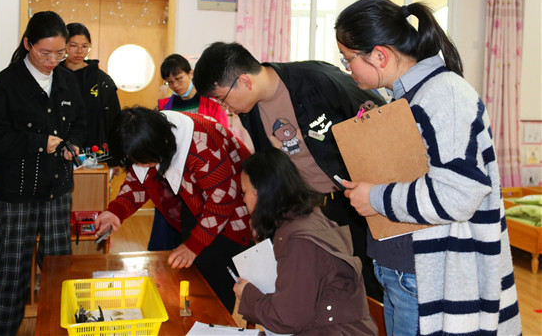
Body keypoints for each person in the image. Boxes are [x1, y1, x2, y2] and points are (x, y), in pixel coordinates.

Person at [334, 0, 521, 335]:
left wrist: (375, 197)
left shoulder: (444, 94)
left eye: (348, 59)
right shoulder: (411, 95)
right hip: (404, 271)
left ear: (379, 55)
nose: (348, 69)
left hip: (425, 277)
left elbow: (458, 195)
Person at [193, 41, 386, 300]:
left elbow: (379, 115)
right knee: (325, 287)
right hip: (311, 208)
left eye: (221, 99)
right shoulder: (250, 111)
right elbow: (275, 167)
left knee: (370, 284)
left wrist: (377, 185)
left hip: (355, 200)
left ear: (244, 81)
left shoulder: (316, 79)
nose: (223, 108)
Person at [0, 11, 86, 336]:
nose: (52, 61)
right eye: (44, 53)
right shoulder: (5, 84)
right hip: (16, 196)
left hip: (57, 193)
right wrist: (39, 143)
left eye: (59, 54)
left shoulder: (67, 81)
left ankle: (57, 330)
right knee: (10, 275)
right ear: (28, 44)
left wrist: (72, 143)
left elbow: (80, 122)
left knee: (58, 272)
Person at [94, 107, 252, 312]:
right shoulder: (151, 136)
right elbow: (139, 181)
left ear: (163, 145)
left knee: (215, 289)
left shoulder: (202, 146)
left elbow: (222, 202)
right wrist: (116, 212)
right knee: (193, 280)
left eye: (142, 161)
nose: (139, 165)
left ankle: (213, 323)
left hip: (234, 212)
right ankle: (194, 321)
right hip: (197, 206)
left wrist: (194, 245)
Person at [234, 148, 378, 335]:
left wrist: (248, 295)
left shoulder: (297, 241)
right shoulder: (308, 217)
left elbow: (287, 318)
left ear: (260, 193)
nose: (243, 200)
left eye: (244, 192)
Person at [149, 53, 230, 251]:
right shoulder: (164, 106)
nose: (175, 85)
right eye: (170, 82)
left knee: (196, 227)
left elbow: (221, 137)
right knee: (166, 226)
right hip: (173, 173)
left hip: (203, 174)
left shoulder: (212, 103)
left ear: (191, 73)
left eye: (179, 78)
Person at [59, 22, 121, 155]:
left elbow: (113, 119)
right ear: (64, 45)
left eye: (84, 46)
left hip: (94, 149)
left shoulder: (101, 79)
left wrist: (115, 154)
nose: (79, 51)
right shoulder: (54, 75)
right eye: (73, 45)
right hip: (59, 147)